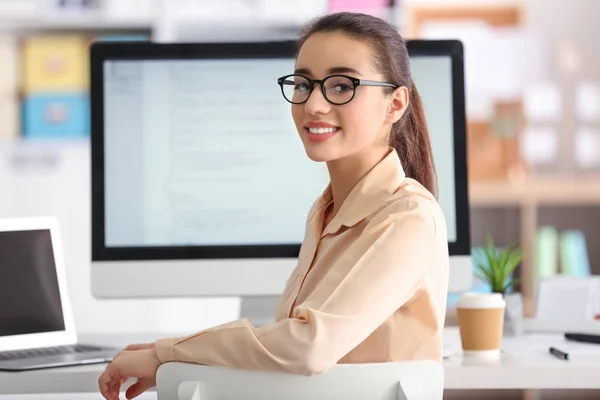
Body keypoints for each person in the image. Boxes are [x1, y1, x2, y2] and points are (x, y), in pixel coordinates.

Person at [98, 11, 449, 400]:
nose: (313, 104)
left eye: (340, 85)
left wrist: (167, 353)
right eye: (303, 84)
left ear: (394, 104)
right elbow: (291, 349)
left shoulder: (408, 218)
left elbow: (308, 344)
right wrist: (168, 359)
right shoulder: (325, 210)